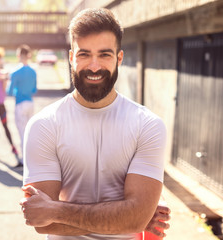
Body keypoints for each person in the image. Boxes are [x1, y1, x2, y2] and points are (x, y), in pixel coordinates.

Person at [20, 8, 171, 240]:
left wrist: (55, 210)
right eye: (84, 55)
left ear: (119, 58)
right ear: (71, 57)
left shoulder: (147, 125)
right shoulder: (44, 125)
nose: (93, 66)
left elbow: (137, 219)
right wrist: (127, 218)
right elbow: (42, 222)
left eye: (104, 55)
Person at [8, 44, 37, 167]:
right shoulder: (33, 71)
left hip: (20, 104)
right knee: (30, 133)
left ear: (18, 55)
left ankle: (24, 161)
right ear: (29, 55)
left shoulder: (15, 72)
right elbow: (34, 90)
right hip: (30, 103)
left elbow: (9, 92)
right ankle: (32, 159)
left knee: (22, 133)